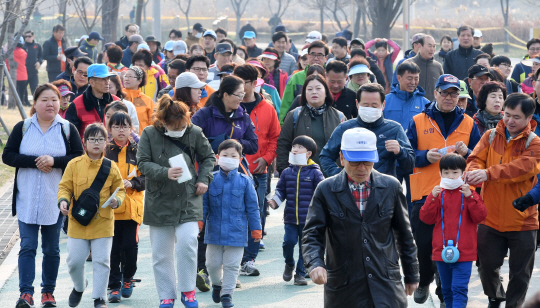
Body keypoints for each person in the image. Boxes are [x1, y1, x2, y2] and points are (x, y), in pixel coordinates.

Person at [302, 127, 419, 307]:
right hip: (344, 286)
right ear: (342, 158)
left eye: (368, 161)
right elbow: (312, 234)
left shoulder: (391, 187)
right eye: (355, 162)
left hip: (385, 283)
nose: (362, 168)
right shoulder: (326, 190)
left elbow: (405, 235)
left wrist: (412, 274)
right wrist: (315, 263)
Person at [2, 83, 84, 308]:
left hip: (55, 200)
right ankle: (25, 293)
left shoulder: (67, 129)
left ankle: (48, 292)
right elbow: (8, 156)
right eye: (45, 100)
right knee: (28, 246)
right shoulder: (23, 127)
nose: (50, 104)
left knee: (51, 249)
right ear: (35, 103)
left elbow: (79, 158)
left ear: (60, 103)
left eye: (54, 100)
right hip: (26, 198)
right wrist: (37, 162)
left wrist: (55, 161)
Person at [406, 74, 481, 305]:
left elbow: (478, 158)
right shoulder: (418, 120)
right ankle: (425, 279)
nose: (449, 97)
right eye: (445, 92)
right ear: (436, 93)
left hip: (458, 192)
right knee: (425, 242)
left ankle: (443, 294)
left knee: (451, 242)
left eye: (454, 93)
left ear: (460, 96)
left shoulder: (469, 122)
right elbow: (406, 155)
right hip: (426, 191)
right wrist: (423, 156)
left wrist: (466, 152)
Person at [137, 95, 215, 308]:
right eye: (175, 127)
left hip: (189, 197)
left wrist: (204, 179)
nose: (180, 129)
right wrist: (164, 172)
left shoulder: (194, 132)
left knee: (188, 243)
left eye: (183, 126)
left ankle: (188, 291)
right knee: (161, 253)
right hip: (159, 198)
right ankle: (166, 295)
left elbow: (209, 157)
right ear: (163, 121)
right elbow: (142, 162)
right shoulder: (149, 133)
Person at [466, 93, 540, 308]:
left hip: (523, 221)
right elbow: (475, 159)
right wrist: (474, 172)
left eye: (516, 117)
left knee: (521, 274)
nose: (509, 121)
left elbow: (522, 169)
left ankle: (513, 305)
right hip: (489, 217)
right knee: (486, 266)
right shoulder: (490, 135)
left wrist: (488, 173)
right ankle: (495, 296)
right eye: (507, 114)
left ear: (529, 118)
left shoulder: (534, 143)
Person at [57, 122, 125, 308]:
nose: (96, 143)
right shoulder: (73, 164)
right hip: (77, 221)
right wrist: (63, 200)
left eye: (100, 139)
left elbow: (120, 190)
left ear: (106, 142)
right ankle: (79, 287)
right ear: (84, 142)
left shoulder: (111, 167)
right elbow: (64, 187)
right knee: (74, 262)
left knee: (102, 261)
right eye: (92, 139)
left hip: (103, 222)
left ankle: (99, 298)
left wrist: (117, 201)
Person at [420, 153, 487, 308]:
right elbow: (425, 218)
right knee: (446, 290)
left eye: (455, 172)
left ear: (462, 173)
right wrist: (431, 198)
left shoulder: (469, 193)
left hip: (464, 252)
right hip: (441, 251)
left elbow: (481, 216)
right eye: (446, 173)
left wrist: (470, 197)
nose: (450, 176)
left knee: (459, 289)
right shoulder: (437, 194)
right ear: (440, 174)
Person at [232, 64, 280, 274]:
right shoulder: (228, 106)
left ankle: (249, 259)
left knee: (256, 212)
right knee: (233, 213)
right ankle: (232, 257)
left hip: (258, 170)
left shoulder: (267, 108)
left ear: (253, 84)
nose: (240, 87)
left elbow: (274, 138)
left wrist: (266, 159)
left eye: (243, 83)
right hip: (230, 170)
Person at [203, 139, 262, 307]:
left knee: (232, 265)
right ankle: (217, 284)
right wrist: (199, 223)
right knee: (212, 264)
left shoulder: (245, 182)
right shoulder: (210, 179)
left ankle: (227, 295)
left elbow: (253, 207)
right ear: (217, 157)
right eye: (225, 155)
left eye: (233, 156)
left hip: (237, 231)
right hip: (214, 231)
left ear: (240, 158)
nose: (229, 158)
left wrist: (256, 229)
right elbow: (204, 204)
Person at [319, 83, 415, 178]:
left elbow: (410, 165)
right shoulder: (345, 128)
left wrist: (400, 152)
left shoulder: (394, 129)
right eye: (365, 105)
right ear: (357, 104)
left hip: (383, 189)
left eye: (374, 106)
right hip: (351, 188)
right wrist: (339, 176)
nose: (370, 109)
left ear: (383, 105)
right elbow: (325, 156)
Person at [269, 135, 323, 285]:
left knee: (304, 247)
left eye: (300, 147)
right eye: (294, 147)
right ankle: (289, 263)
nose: (295, 150)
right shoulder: (287, 172)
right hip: (291, 217)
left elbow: (321, 191)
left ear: (309, 154)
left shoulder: (315, 172)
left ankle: (299, 274)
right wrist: (275, 201)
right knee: (288, 242)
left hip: (308, 219)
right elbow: (281, 190)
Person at [104, 112, 145, 304]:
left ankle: (127, 278)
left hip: (131, 209)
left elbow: (148, 177)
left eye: (125, 126)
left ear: (131, 129)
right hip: (109, 210)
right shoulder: (104, 151)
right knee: (112, 250)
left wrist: (135, 183)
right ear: (110, 129)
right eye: (117, 126)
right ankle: (113, 286)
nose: (121, 130)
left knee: (130, 247)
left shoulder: (139, 150)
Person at [384, 62, 430, 213]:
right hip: (390, 161)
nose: (413, 82)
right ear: (399, 78)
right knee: (389, 200)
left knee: (414, 201)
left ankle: (411, 233)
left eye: (416, 78)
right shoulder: (386, 101)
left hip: (414, 161)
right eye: (409, 78)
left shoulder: (425, 104)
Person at [277, 74, 346, 174]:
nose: (314, 92)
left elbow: (346, 148)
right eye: (309, 89)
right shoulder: (295, 115)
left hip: (332, 177)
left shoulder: (339, 117)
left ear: (326, 92)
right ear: (304, 93)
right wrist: (283, 171)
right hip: (300, 177)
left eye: (318, 88)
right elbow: (283, 144)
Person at [65, 64, 119, 139]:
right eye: (103, 79)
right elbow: (70, 136)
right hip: (86, 150)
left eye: (108, 78)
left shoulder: (117, 102)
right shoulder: (77, 105)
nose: (107, 83)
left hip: (113, 150)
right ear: (92, 82)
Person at [280, 40, 329, 122]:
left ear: (326, 58)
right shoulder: (295, 78)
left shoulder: (330, 78)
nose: (316, 58)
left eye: (320, 55)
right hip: (299, 124)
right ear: (308, 56)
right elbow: (286, 106)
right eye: (313, 54)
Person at [404, 35, 444, 102]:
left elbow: (442, 88)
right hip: (411, 106)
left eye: (434, 46)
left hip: (432, 108)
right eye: (429, 46)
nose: (432, 49)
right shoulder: (408, 64)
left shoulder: (438, 66)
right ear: (419, 46)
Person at [123, 66, 154, 134]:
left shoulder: (147, 100)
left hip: (141, 139)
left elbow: (152, 123)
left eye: (130, 76)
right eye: (125, 76)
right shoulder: (119, 97)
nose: (126, 79)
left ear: (139, 80)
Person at [23, 30, 43, 103]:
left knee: (34, 88)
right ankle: (25, 102)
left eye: (29, 36)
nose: (27, 38)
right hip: (24, 71)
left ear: (33, 37)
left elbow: (41, 56)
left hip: (34, 71)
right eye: (26, 36)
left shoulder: (37, 46)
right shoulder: (23, 46)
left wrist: (39, 62)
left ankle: (36, 102)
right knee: (24, 88)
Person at [12, 37, 29, 106]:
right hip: (23, 75)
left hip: (14, 75)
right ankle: (21, 103)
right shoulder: (24, 52)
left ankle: (14, 104)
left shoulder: (11, 53)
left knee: (15, 91)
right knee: (22, 92)